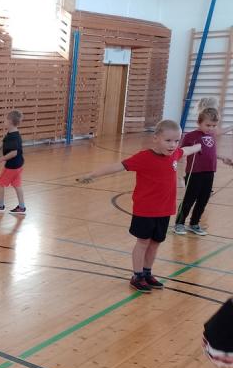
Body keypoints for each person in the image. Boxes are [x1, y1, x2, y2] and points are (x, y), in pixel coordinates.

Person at [78, 119, 201, 292]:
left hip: (165, 210)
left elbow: (186, 150)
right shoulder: (144, 157)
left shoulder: (174, 154)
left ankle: (147, 272)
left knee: (155, 243)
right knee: (143, 242)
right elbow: (118, 166)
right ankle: (137, 276)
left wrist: (199, 146)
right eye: (168, 140)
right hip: (145, 210)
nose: (173, 145)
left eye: (176, 141)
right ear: (155, 138)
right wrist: (92, 174)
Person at [174, 107, 233, 236]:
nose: (211, 128)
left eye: (214, 126)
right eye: (208, 125)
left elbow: (209, 152)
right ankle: (179, 223)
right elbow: (182, 152)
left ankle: (194, 223)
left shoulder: (211, 135)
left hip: (209, 172)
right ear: (199, 122)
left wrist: (222, 158)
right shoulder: (190, 136)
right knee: (189, 199)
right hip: (195, 173)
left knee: (203, 200)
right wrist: (180, 172)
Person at [0, 110, 26, 215]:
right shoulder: (11, 133)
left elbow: (13, 153)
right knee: (17, 185)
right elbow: (0, 145)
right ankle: (22, 207)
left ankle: (0, 206)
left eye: (6, 119)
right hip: (18, 165)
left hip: (12, 167)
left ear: (10, 121)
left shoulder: (13, 137)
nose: (4, 121)